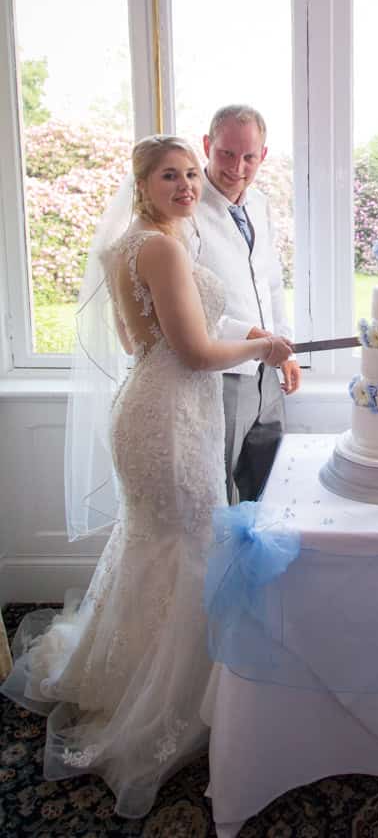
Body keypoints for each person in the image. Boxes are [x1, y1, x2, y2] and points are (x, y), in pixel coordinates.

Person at [0, 135, 292, 818]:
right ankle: (173, 701)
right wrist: (265, 345)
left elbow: (144, 341)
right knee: (185, 541)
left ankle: (122, 673)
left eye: (193, 173)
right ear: (143, 182)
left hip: (150, 403)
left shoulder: (135, 242)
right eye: (172, 175)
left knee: (158, 539)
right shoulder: (160, 246)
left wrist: (239, 330)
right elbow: (191, 352)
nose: (189, 185)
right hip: (170, 415)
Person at [197, 104, 301, 504]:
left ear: (264, 156)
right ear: (207, 145)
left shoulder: (259, 203)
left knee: (268, 486)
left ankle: (256, 567)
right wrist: (254, 337)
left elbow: (271, 283)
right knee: (220, 492)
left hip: (267, 374)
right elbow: (189, 306)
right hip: (218, 373)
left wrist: (284, 348)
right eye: (226, 153)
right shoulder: (185, 208)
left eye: (249, 156)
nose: (237, 166)